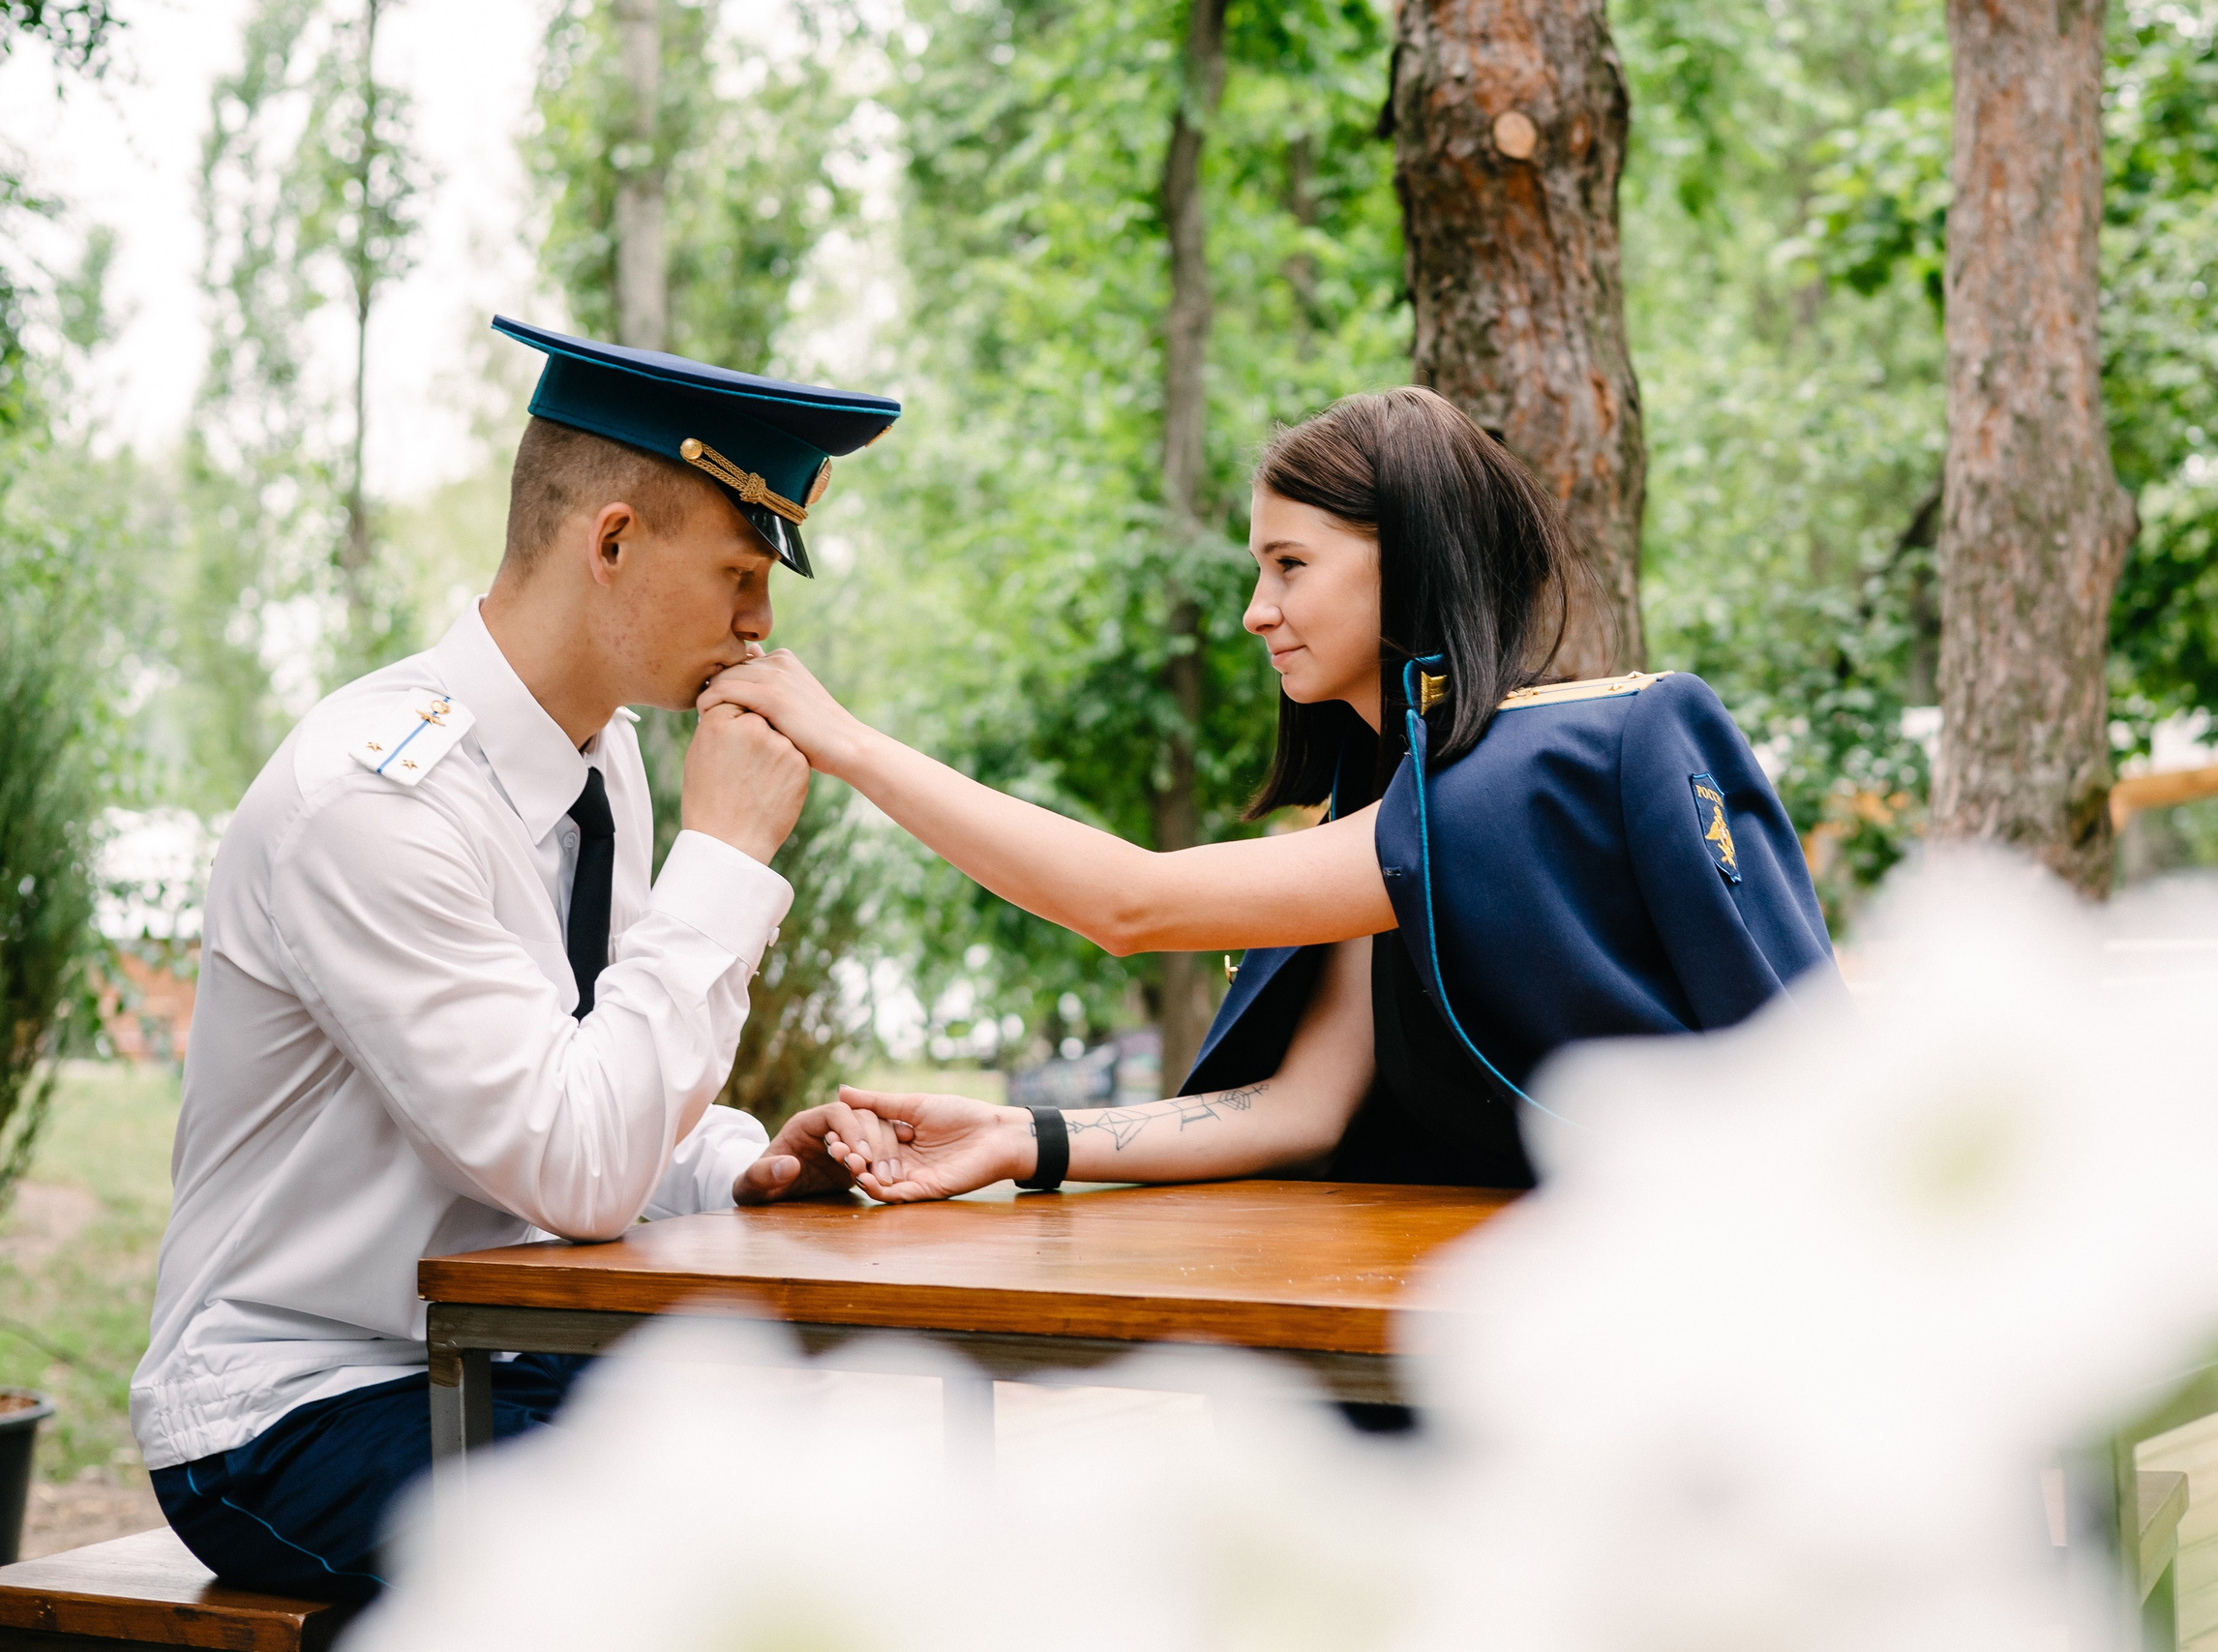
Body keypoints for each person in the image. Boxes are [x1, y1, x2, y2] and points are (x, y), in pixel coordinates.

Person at [131, 317, 895, 1601]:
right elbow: (573, 1161)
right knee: (686, 1554)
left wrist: (736, 1167)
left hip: (494, 1351)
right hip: (296, 1406)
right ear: (612, 542)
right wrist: (725, 857)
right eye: (738, 572)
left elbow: (583, 1078)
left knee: (844, 1467)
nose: (761, 624)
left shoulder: (601, 758)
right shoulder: (375, 802)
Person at [701, 387, 1838, 1204]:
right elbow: (1304, 1106)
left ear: (1412, 562)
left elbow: (1131, 905)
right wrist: (1019, 1135)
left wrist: (845, 742)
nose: (1255, 610)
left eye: (1290, 564)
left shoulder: (1544, 769)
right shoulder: (1390, 813)